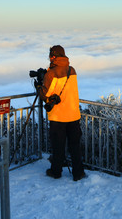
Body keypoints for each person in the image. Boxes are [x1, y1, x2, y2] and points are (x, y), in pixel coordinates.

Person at [38, 45, 86, 181]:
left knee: (58, 147)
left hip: (58, 117)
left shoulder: (52, 73)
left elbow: (45, 94)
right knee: (75, 146)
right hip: (73, 114)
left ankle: (56, 171)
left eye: (50, 55)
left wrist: (38, 87)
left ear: (53, 56)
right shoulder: (72, 70)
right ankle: (78, 173)